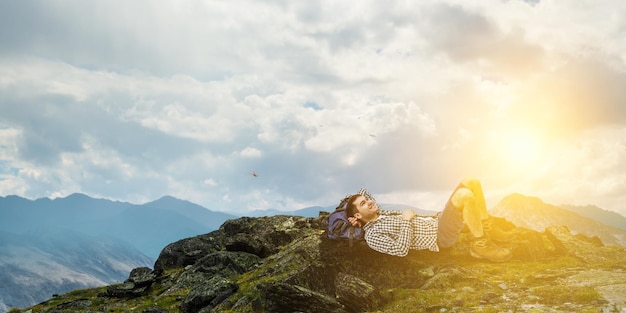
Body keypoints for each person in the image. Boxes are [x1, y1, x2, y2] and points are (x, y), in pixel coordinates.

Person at [345, 177, 513, 262]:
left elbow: (363, 194)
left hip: (438, 220)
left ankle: (487, 227)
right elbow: (400, 250)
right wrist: (405, 221)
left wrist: (351, 210)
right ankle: (480, 245)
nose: (370, 201)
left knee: (471, 181)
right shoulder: (373, 235)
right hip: (439, 236)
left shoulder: (381, 213)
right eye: (364, 203)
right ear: (358, 215)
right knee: (465, 195)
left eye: (368, 200)